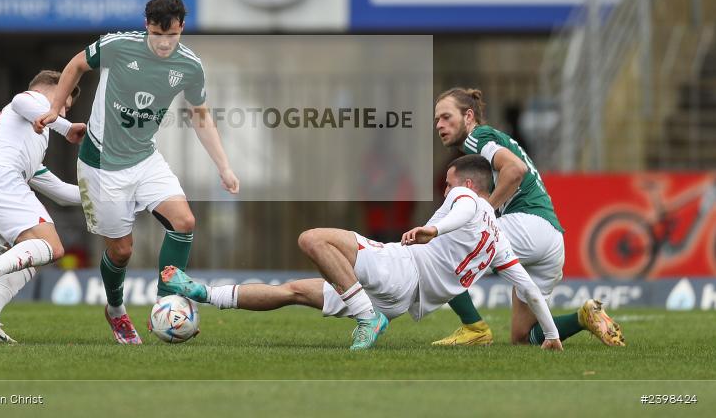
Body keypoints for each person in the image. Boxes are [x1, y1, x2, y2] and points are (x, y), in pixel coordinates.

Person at [161, 155, 563, 351]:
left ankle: (367, 319)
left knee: (312, 239)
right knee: (294, 291)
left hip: (400, 268)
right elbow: (527, 287)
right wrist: (550, 334)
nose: (445, 188)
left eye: (447, 182)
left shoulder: (468, 197)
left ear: (466, 184)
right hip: (404, 299)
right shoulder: (500, 242)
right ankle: (203, 294)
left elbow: (462, 210)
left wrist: (433, 228)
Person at [34, 0, 239, 345]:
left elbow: (200, 115)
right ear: (147, 27)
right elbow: (75, 65)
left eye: (171, 35)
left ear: (181, 28)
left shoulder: (189, 65)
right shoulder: (118, 45)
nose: (164, 43)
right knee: (122, 251)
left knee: (184, 222)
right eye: (158, 36)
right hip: (102, 165)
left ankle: (166, 302)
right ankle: (115, 310)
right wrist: (55, 108)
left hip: (145, 159)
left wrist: (224, 166)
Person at [433, 87, 624, 347]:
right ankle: (584, 317)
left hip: (526, 224)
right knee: (522, 337)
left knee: (442, 250)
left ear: (468, 116)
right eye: (437, 120)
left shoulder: (477, 136)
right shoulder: (492, 140)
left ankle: (473, 328)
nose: (440, 125)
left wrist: (485, 210)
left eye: (446, 117)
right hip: (551, 239)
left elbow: (515, 169)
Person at [0, 70, 86, 343]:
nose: (63, 110)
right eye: (64, 104)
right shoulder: (33, 101)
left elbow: (61, 192)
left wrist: (111, 198)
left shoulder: (24, 138)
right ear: (55, 89)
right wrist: (65, 126)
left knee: (30, 256)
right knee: (53, 247)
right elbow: (20, 101)